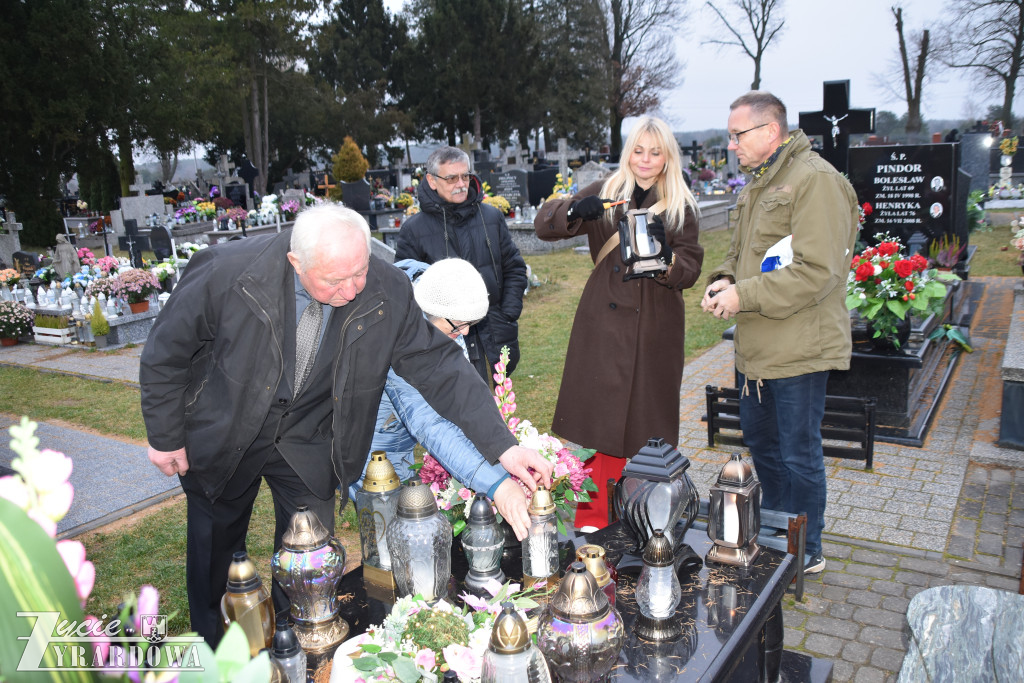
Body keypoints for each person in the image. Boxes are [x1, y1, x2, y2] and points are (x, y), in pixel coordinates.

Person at [140, 204, 551, 646]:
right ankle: (215, 650)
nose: (353, 289)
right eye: (335, 280)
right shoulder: (227, 271)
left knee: (311, 557)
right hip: (227, 429)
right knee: (215, 549)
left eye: (359, 272)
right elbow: (167, 350)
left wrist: (504, 448)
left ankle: (295, 643)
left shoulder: (385, 287)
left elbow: (440, 366)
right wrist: (165, 436)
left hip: (306, 439)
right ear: (296, 261)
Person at [700, 91, 859, 575]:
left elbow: (819, 271)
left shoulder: (815, 181)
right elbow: (741, 252)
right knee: (765, 448)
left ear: (770, 132)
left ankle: (806, 548)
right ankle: (775, 532)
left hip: (799, 348)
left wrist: (742, 295)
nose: (731, 146)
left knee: (798, 453)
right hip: (758, 350)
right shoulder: (760, 183)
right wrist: (725, 279)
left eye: (737, 135)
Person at [534, 116, 704, 530]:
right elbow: (544, 225)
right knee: (604, 432)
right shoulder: (606, 192)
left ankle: (650, 523)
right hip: (604, 328)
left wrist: (665, 263)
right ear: (628, 152)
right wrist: (574, 208)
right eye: (638, 151)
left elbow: (691, 267)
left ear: (667, 158)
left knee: (649, 434)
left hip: (655, 330)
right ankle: (593, 528)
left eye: (655, 152)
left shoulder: (680, 204)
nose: (645, 160)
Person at [351, 257, 539, 534]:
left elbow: (461, 397)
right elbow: (430, 421)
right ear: (428, 312)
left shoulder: (444, 307)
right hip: (372, 446)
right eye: (458, 327)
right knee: (390, 535)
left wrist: (502, 448)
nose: (463, 334)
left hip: (395, 434)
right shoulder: (395, 330)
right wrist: (498, 484)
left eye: (470, 325)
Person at [395, 146, 528, 382]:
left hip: (494, 333)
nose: (461, 183)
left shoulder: (491, 218)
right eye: (451, 178)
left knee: (496, 409)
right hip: (448, 341)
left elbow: (514, 268)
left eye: (465, 176)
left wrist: (507, 313)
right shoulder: (414, 230)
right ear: (432, 181)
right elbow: (406, 290)